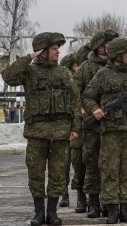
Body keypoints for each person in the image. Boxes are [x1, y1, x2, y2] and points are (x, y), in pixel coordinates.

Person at [2, 32, 81, 226]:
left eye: (57, 48)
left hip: (61, 131)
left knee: (58, 173)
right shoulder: (29, 72)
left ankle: (52, 213)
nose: (58, 52)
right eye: (54, 49)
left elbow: (75, 99)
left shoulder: (63, 73)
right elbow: (8, 76)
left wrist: (75, 127)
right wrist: (29, 57)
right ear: (42, 51)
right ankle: (39, 212)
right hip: (37, 132)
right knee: (36, 173)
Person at [81, 37, 127, 224]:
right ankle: (112, 209)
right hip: (110, 130)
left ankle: (125, 208)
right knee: (110, 169)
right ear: (118, 54)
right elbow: (87, 96)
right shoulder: (102, 74)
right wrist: (94, 110)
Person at [73, 30, 119, 218]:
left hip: (113, 124)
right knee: (91, 162)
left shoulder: (118, 67)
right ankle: (92, 202)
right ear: (101, 46)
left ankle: (109, 202)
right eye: (109, 43)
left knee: (111, 164)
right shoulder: (85, 67)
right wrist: (84, 110)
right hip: (92, 124)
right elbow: (75, 92)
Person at [58, 53, 79, 208]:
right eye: (76, 65)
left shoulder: (79, 82)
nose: (78, 68)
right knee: (63, 164)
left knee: (79, 164)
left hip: (78, 127)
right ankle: (64, 194)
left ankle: (80, 195)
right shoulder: (63, 82)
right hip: (64, 126)